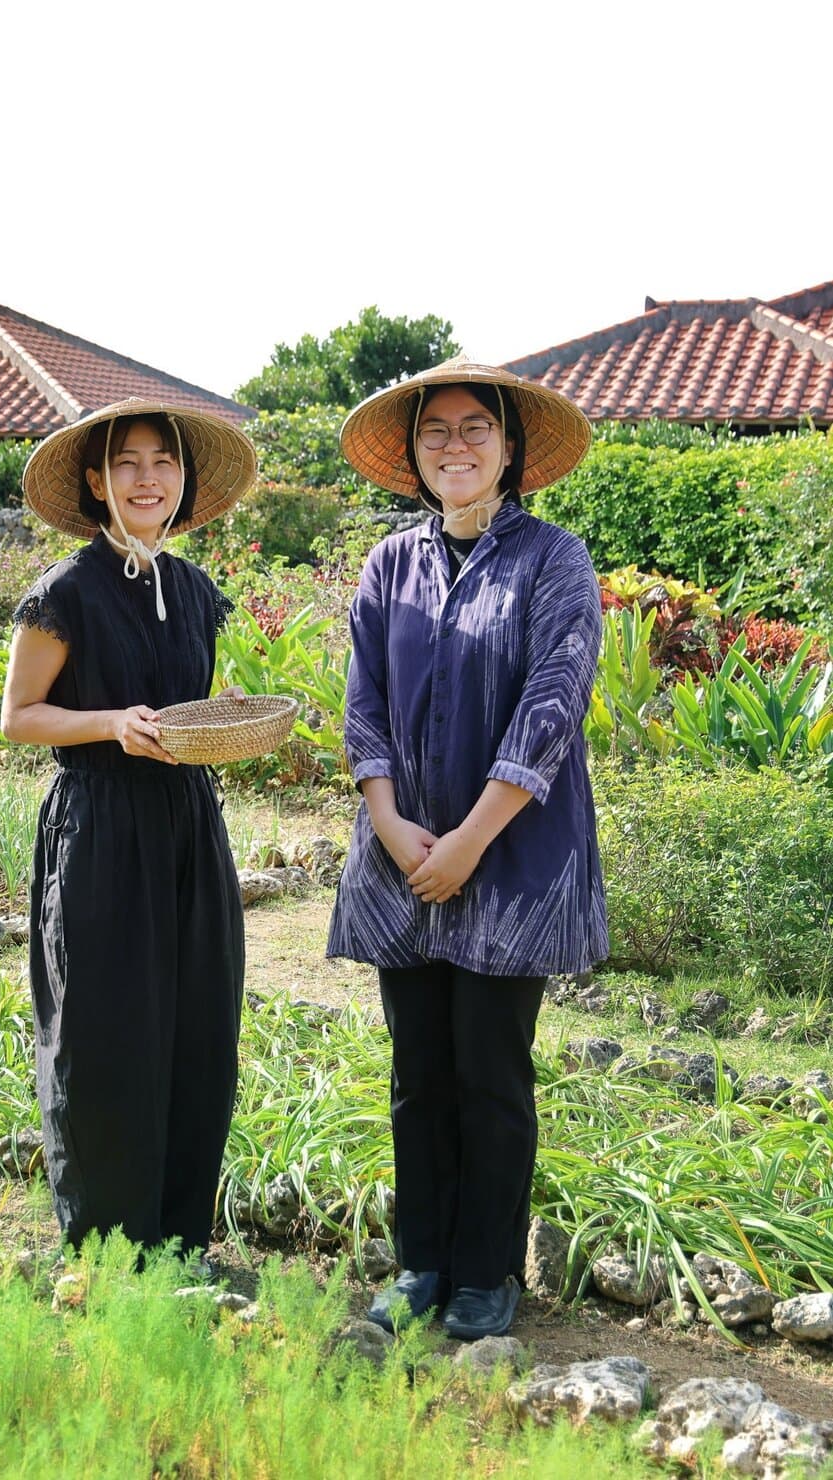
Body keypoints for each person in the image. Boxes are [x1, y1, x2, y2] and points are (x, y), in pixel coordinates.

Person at [327, 353, 607, 1340]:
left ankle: (486, 1274)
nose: (454, 445)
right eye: (434, 430)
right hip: (402, 856)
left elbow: (550, 708)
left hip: (510, 860)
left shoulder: (554, 560)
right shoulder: (388, 565)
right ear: (411, 454)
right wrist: (390, 822)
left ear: (510, 446)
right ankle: (423, 1265)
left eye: (473, 427)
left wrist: (469, 841)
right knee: (417, 1071)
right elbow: (362, 700)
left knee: (490, 1069)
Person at [0, 396, 256, 1261]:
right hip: (102, 830)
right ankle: (111, 1252)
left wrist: (215, 716)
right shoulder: (64, 593)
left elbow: (180, 708)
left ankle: (180, 1242)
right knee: (106, 1032)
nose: (148, 479)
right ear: (95, 480)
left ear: (184, 478)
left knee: (197, 1024)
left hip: (188, 823)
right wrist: (111, 724)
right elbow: (19, 717)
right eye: (127, 463)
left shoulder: (192, 590)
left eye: (163, 462)